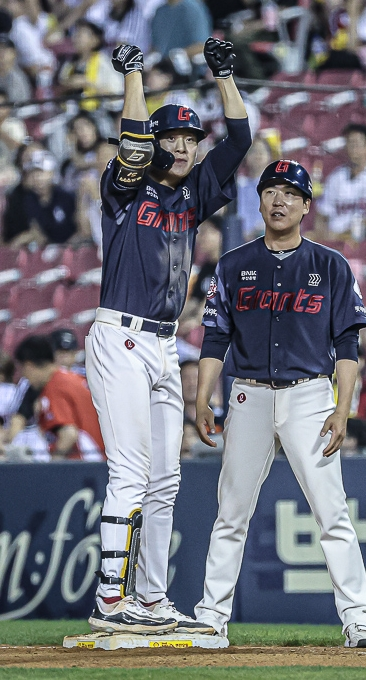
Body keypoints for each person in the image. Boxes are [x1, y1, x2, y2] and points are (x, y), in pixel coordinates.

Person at [85, 39, 251, 635]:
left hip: (161, 344)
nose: (182, 146)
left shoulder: (190, 194)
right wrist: (132, 76)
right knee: (130, 470)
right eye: (172, 137)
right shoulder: (126, 187)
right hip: (119, 335)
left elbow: (239, 140)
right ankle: (110, 599)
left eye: (189, 138)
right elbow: (130, 144)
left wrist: (223, 74)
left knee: (166, 478)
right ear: (154, 142)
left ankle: (150, 599)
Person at [192, 159, 366, 649]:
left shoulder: (331, 265)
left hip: (311, 396)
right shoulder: (233, 264)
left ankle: (358, 619)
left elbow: (348, 344)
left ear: (306, 206)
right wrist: (203, 396)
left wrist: (343, 408)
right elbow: (215, 337)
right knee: (230, 512)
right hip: (248, 395)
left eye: (290, 193)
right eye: (271, 191)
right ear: (259, 201)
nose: (279, 200)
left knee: (331, 511)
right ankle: (211, 617)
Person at [14, 335, 105, 461]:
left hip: (85, 466)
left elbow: (69, 434)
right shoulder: (73, 379)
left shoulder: (54, 387)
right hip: (101, 460)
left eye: (23, 371)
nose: (25, 377)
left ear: (29, 366)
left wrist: (53, 466)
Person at [314, 123, 366, 240]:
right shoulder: (335, 176)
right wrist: (323, 236)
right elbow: (322, 214)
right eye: (349, 143)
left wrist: (348, 233)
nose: (352, 148)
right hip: (335, 238)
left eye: (356, 144)